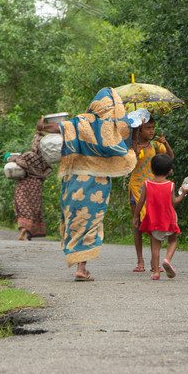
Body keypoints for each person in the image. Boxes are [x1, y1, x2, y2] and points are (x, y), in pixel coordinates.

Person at [39, 88, 137, 281]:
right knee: (91, 221)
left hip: (73, 180)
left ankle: (79, 265)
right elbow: (125, 149)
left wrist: (41, 125)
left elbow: (55, 128)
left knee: (74, 219)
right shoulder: (113, 129)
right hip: (98, 183)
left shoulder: (80, 122)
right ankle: (82, 268)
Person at [128, 117, 174, 272]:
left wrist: (166, 142)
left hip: (153, 188)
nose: (151, 131)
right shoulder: (131, 146)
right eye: (147, 128)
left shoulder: (155, 145)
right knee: (138, 224)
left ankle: (155, 262)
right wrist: (134, 153)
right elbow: (124, 164)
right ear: (139, 129)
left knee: (153, 223)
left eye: (153, 128)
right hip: (136, 187)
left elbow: (170, 158)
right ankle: (139, 261)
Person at [132, 154, 188, 280]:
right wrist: (183, 193)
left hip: (153, 220)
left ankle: (156, 272)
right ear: (169, 171)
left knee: (155, 247)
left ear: (152, 169)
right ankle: (167, 259)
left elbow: (140, 202)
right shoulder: (170, 185)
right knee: (173, 241)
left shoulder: (147, 184)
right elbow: (174, 202)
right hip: (168, 219)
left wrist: (136, 216)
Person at [8, 134, 52, 240]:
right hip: (37, 186)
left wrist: (13, 158)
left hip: (25, 184)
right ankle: (30, 232)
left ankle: (24, 229)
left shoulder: (29, 155)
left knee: (22, 205)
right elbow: (48, 170)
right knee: (34, 208)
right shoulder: (45, 159)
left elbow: (22, 163)